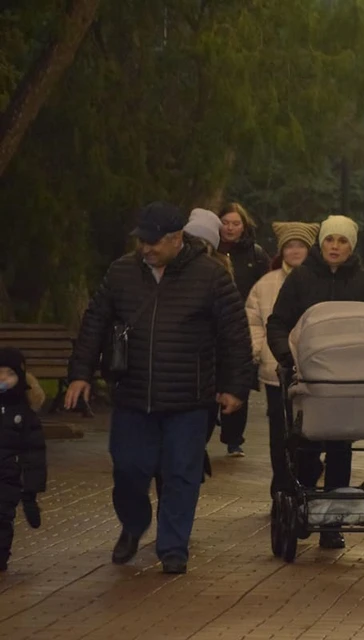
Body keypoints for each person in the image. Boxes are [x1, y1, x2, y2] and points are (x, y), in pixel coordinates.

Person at [65, 202, 254, 575]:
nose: (146, 249)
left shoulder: (211, 276)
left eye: (154, 242)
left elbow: (235, 336)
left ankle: (173, 546)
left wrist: (235, 387)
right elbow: (95, 323)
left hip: (190, 396)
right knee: (129, 469)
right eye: (142, 241)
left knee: (181, 473)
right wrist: (80, 373)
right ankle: (134, 525)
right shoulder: (121, 272)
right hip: (133, 393)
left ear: (176, 239)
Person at [266, 215, 364, 550]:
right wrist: (286, 358)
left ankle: (331, 522)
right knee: (304, 447)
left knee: (340, 448)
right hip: (308, 378)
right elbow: (278, 322)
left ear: (351, 246)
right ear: (321, 243)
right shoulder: (302, 278)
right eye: (330, 240)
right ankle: (303, 508)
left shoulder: (363, 282)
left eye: (342, 241)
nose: (335, 247)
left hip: (348, 381)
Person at [245, 222, 319, 497]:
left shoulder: (318, 279)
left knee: (311, 430)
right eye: (290, 245)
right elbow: (252, 319)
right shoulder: (266, 284)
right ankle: (282, 486)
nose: (295, 250)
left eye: (300, 245)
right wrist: (259, 348)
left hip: (314, 370)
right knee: (279, 431)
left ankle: (307, 480)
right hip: (275, 370)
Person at [216, 202, 269, 457]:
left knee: (240, 380)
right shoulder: (208, 250)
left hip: (245, 324)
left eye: (235, 223)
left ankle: (234, 437)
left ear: (244, 226)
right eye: (226, 223)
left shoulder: (255, 255)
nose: (230, 228)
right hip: (214, 323)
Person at [0, 348, 47, 572]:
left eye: (9, 373)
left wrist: (30, 492)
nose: (2, 379)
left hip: (8, 475)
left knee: (2, 516)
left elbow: (34, 453)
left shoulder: (25, 414)